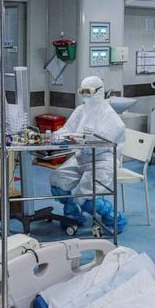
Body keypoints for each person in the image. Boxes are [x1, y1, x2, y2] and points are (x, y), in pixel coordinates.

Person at [49, 76, 128, 235]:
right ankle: (72, 214)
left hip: (102, 161)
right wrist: (56, 136)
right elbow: (67, 129)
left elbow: (102, 142)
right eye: (82, 92)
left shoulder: (111, 117)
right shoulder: (81, 110)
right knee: (58, 181)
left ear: (99, 92)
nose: (85, 96)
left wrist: (85, 138)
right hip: (81, 157)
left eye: (89, 92)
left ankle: (114, 219)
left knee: (86, 199)